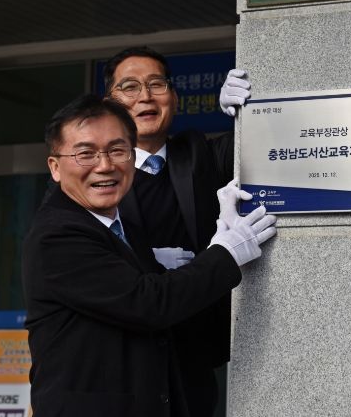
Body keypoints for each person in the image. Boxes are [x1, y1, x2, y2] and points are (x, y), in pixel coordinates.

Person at [22, 94, 276, 416]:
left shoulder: (124, 228)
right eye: (85, 154)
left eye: (118, 150)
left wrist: (219, 236)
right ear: (55, 168)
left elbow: (168, 300)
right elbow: (150, 303)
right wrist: (226, 251)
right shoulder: (57, 236)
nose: (105, 166)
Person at [100, 46, 250, 416]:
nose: (145, 96)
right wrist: (149, 262)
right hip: (123, 362)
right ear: (109, 105)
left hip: (192, 362)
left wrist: (249, 113)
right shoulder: (93, 176)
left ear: (175, 98)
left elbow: (267, 146)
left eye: (157, 84)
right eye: (129, 87)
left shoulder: (199, 154)